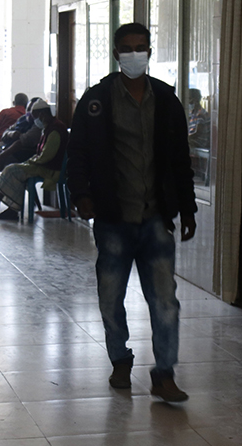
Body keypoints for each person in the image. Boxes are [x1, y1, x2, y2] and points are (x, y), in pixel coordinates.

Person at [68, 22, 197, 403]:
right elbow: (77, 154)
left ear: (150, 52)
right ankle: (120, 359)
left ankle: (165, 373)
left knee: (165, 301)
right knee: (111, 296)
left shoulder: (167, 101)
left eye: (141, 47)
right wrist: (81, 194)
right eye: (127, 48)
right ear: (115, 53)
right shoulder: (96, 102)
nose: (135, 54)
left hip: (156, 218)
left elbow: (180, 161)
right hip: (113, 219)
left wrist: (186, 208)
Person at [0, 99, 67, 221]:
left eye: (36, 118)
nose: (35, 121)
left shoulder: (55, 129)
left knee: (12, 170)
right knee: (12, 169)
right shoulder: (48, 127)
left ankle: (11, 208)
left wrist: (31, 162)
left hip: (50, 168)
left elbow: (47, 155)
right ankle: (3, 205)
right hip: (42, 164)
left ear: (42, 115)